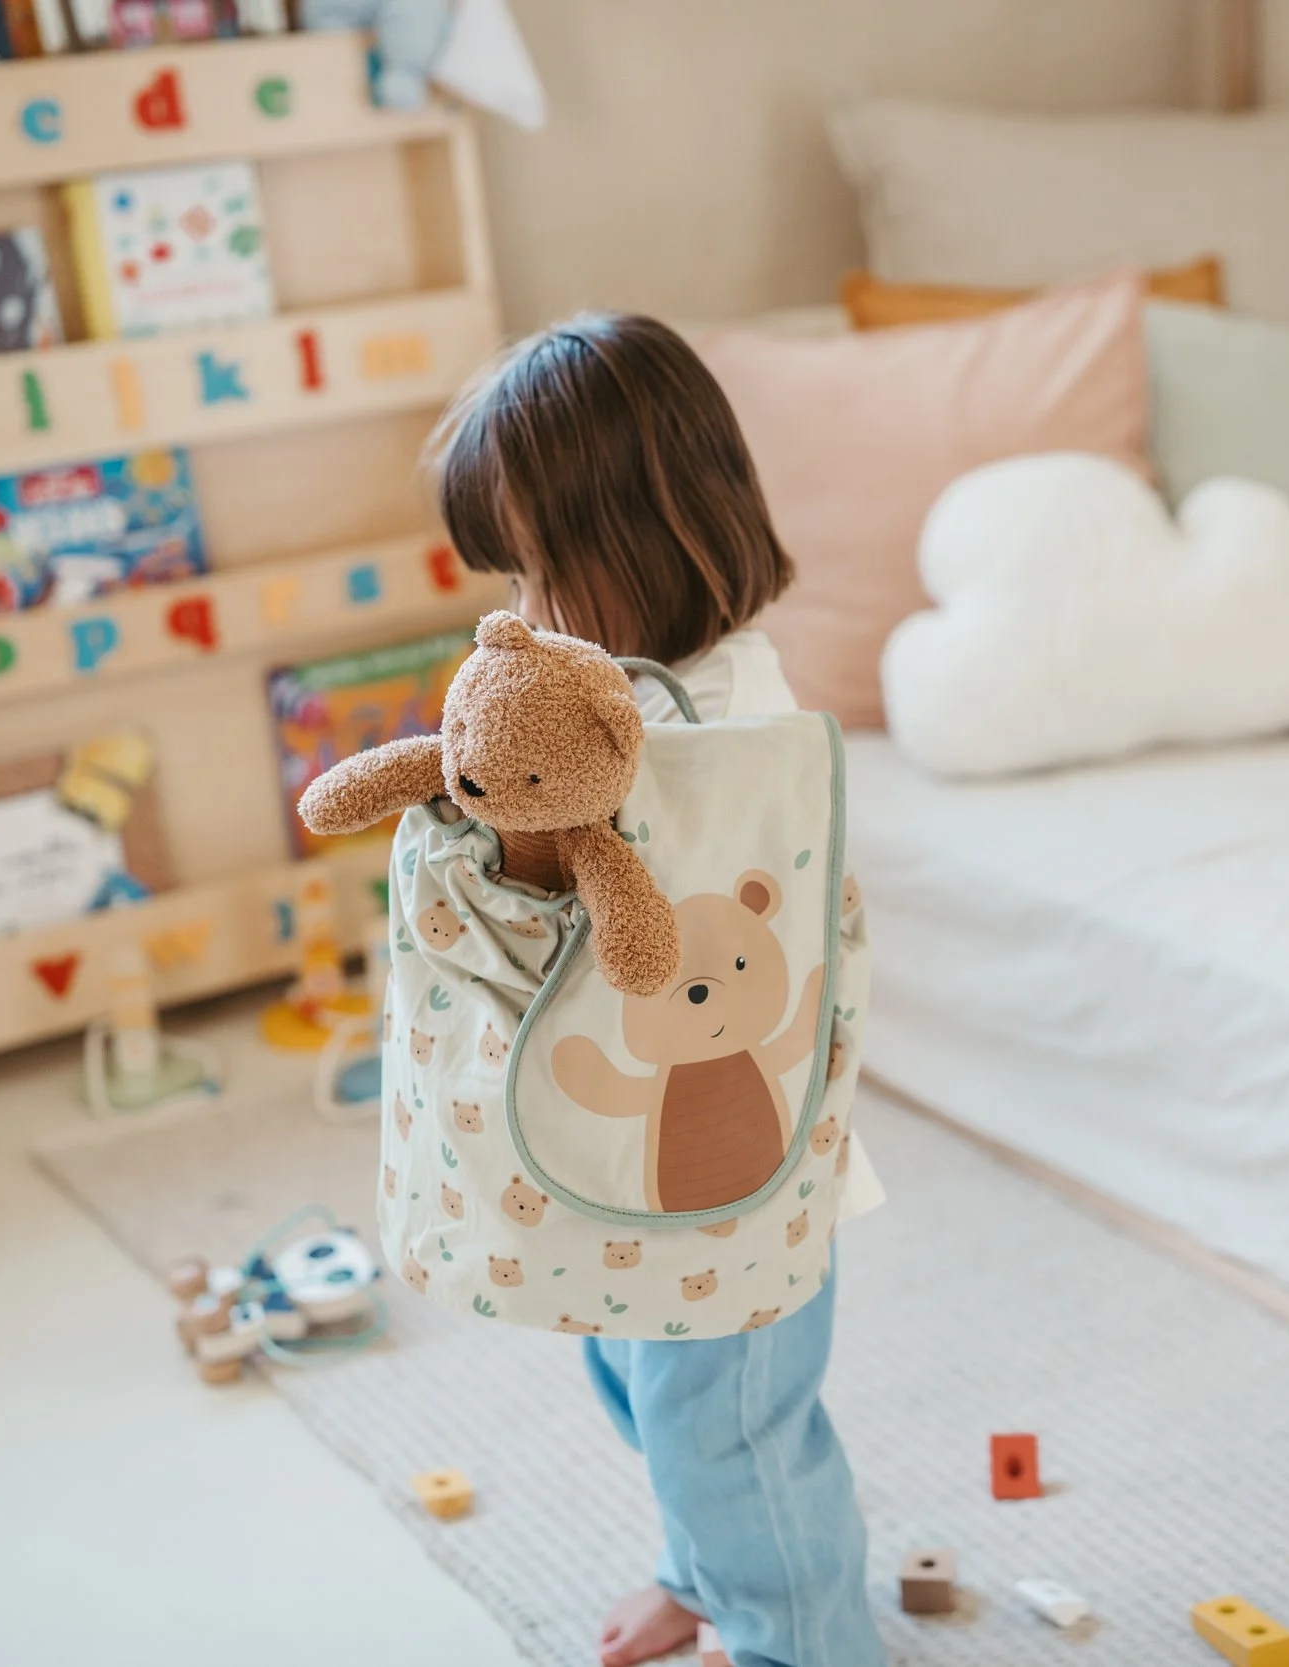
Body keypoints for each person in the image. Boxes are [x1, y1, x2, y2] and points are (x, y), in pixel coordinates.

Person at [430, 312, 885, 1667]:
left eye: (540, 577)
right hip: (642, 1156)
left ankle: (800, 1632)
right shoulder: (629, 692)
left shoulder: (720, 729)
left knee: (729, 1422)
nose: (520, 618)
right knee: (637, 1376)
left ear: (639, 549)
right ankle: (709, 1557)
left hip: (732, 1176)